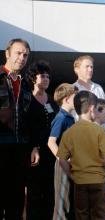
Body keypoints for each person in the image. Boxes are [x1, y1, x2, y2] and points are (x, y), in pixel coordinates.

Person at [57, 90, 105, 220]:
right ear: (91, 108)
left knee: (81, 215)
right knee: (99, 215)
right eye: (96, 108)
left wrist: (72, 175)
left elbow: (61, 159)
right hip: (98, 181)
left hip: (79, 182)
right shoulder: (99, 131)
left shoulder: (69, 132)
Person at [0, 38, 39, 220]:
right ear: (7, 53)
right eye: (18, 53)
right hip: (0, 147)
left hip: (21, 150)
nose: (22, 58)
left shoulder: (25, 85)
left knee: (16, 201)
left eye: (25, 55)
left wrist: (34, 146)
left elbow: (30, 119)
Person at [26, 60, 58, 220]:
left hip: (51, 152)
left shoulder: (52, 101)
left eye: (48, 77)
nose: (46, 79)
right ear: (33, 78)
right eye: (42, 76)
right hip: (34, 152)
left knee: (50, 192)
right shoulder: (27, 100)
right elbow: (25, 127)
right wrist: (34, 146)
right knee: (34, 192)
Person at [48, 83, 78, 220]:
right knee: (62, 204)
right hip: (63, 165)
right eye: (75, 97)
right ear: (66, 99)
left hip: (71, 164)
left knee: (70, 201)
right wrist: (63, 159)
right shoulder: (61, 117)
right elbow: (51, 142)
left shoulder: (70, 117)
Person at [73, 55, 105, 136]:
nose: (90, 69)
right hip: (80, 136)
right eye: (87, 67)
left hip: (99, 136)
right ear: (77, 69)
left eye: (92, 67)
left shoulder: (98, 88)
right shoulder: (72, 90)